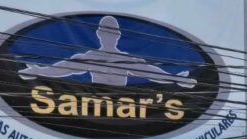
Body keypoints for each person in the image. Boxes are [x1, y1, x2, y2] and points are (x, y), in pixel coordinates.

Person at [18, 15, 196, 88]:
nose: (109, 35)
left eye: (113, 32)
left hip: (123, 106)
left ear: (118, 35)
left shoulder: (127, 60)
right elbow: (63, 69)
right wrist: (39, 71)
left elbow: (151, 72)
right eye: (105, 31)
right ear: (99, 34)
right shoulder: (90, 58)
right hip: (94, 104)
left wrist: (176, 79)